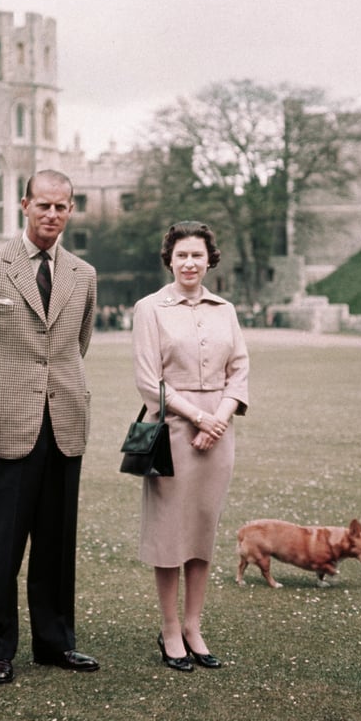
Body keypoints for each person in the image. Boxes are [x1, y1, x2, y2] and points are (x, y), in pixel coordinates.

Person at [0, 169, 99, 685]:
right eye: (43, 206)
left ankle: (56, 643)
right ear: (24, 205)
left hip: (64, 423)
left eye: (62, 207)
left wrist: (50, 392)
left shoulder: (83, 274)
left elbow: (77, 345)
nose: (52, 215)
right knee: (4, 544)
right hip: (6, 424)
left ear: (71, 210)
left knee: (57, 544)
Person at [131, 220, 249, 671]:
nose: (189, 263)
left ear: (209, 260)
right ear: (169, 259)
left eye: (197, 255)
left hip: (217, 435)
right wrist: (198, 417)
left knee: (202, 531)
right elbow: (148, 380)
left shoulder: (226, 310)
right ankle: (168, 629)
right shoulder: (150, 308)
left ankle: (194, 626)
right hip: (170, 433)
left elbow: (239, 370)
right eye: (181, 255)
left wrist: (218, 419)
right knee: (169, 535)